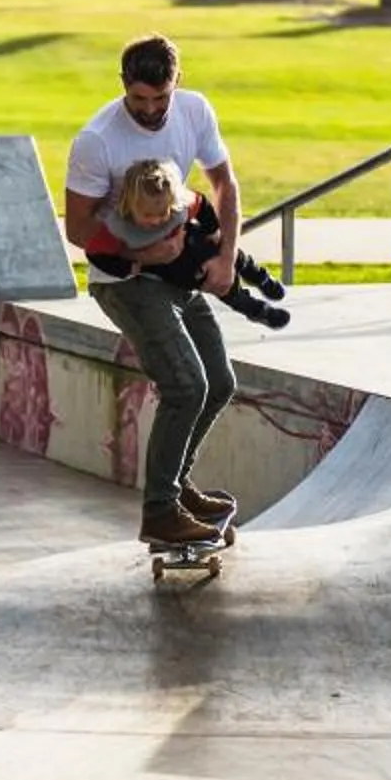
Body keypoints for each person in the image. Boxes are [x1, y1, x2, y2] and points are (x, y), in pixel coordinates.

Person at [64, 35, 244, 549]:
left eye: (159, 100)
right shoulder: (97, 140)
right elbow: (78, 230)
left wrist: (226, 256)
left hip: (178, 275)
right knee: (186, 386)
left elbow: (225, 185)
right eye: (139, 100)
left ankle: (177, 485)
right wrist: (145, 257)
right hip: (124, 281)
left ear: (176, 83)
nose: (149, 111)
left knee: (220, 381)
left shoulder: (194, 112)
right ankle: (160, 512)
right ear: (124, 87)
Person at [88, 160, 291, 331]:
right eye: (149, 216)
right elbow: (95, 253)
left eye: (163, 213)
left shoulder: (180, 205)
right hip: (170, 265)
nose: (157, 221)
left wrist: (213, 230)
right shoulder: (117, 227)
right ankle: (256, 310)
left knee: (230, 254)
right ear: (129, 205)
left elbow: (202, 204)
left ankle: (260, 278)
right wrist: (129, 267)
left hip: (190, 238)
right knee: (216, 282)